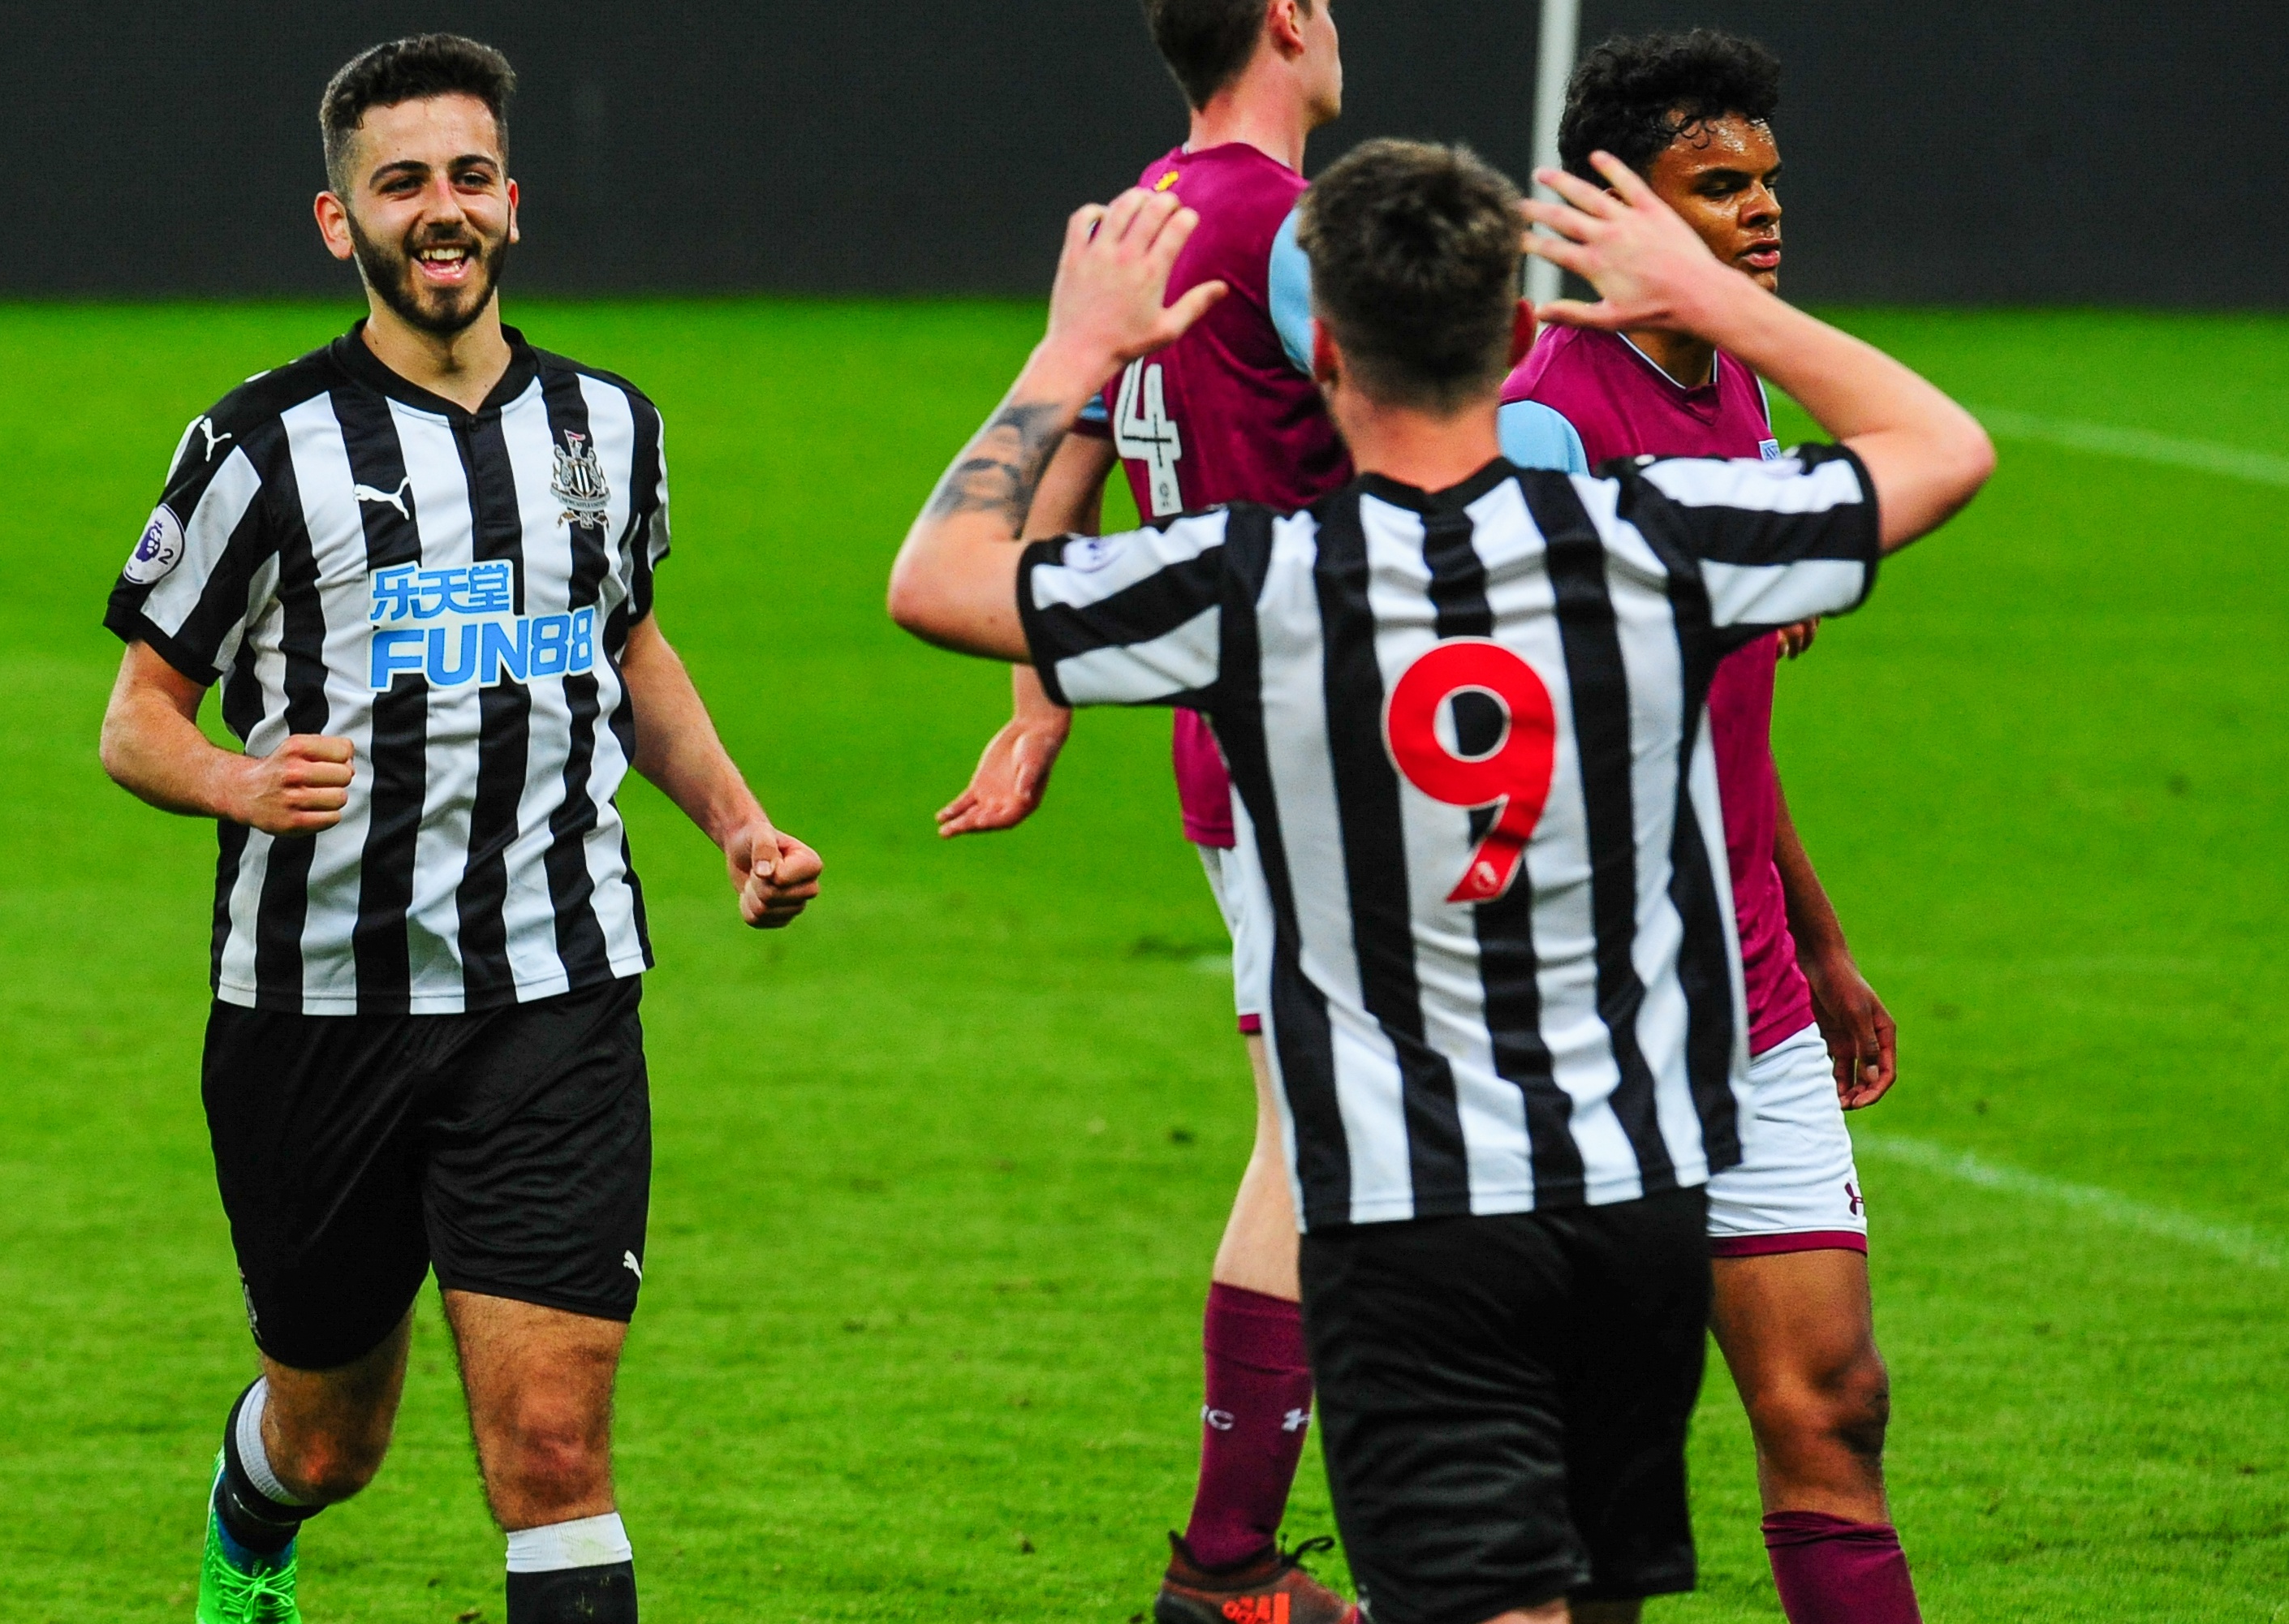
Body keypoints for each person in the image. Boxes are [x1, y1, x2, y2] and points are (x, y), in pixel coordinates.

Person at [886, 133, 1989, 1624]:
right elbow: (1941, 450)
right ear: (1522, 330)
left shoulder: (1253, 583)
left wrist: (1070, 351)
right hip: (1633, 1197)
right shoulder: (1648, 542)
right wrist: (1713, 301)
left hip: (1411, 1218)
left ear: (1322, 346)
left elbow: (939, 583)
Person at [97, 34, 822, 1624]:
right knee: (333, 1432)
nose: (443, 211)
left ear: (513, 202)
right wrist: (237, 779)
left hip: (552, 998)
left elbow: (623, 642)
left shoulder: (608, 429)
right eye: (403, 182)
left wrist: (735, 822)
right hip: (313, 1015)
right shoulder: (258, 445)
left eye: (469, 177)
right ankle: (251, 1519)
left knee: (552, 1449)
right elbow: (137, 715)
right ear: (336, 218)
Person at [934, 7, 1356, 1612]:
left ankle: (1246, 1554)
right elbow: (1432, 430)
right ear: (1288, 23)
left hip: (1217, 723)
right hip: (1342, 727)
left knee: (1322, 1136)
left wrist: (1043, 694)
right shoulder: (1290, 224)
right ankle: (1235, 1562)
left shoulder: (1148, 214)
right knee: (1340, 1147)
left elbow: (1083, 445)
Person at [1499, 35, 1919, 1624]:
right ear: (1623, 206)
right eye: (1718, 186)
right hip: (1593, 1030)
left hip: (1751, 996)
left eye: (1768, 184)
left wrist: (1813, 933)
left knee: (1837, 1405)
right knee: (1599, 1489)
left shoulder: (1730, 379)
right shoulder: (1544, 422)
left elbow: (1720, 730)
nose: (1762, 213)